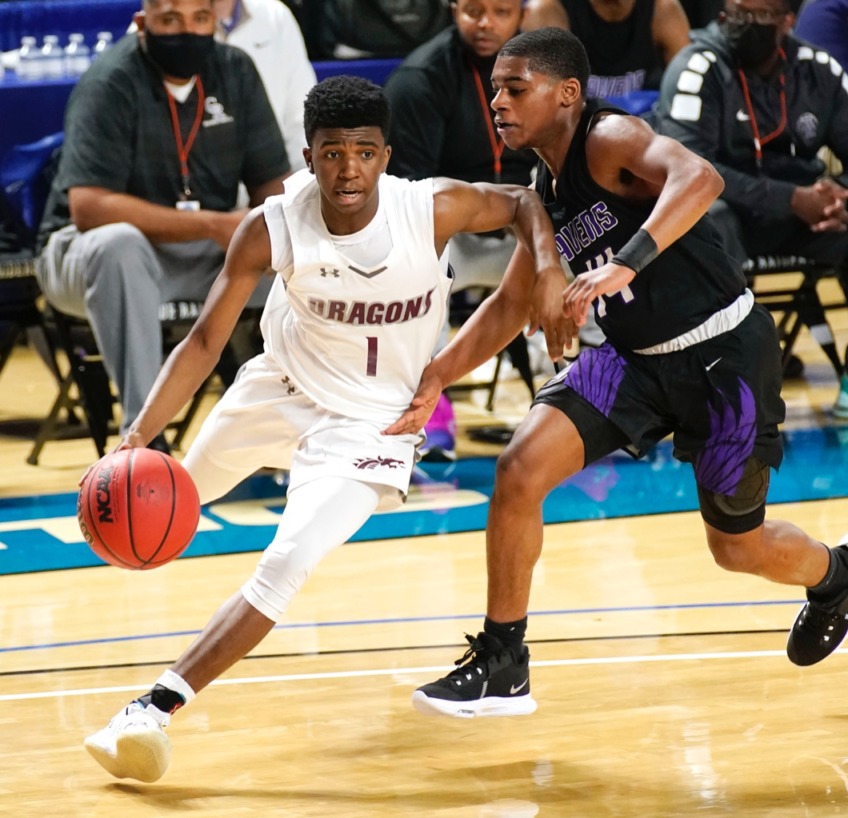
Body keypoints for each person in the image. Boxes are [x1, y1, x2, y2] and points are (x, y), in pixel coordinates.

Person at [82, 74, 564, 781]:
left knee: (288, 561)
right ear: (308, 157)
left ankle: (150, 710)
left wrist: (547, 266)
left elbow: (523, 202)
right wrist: (137, 438)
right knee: (159, 502)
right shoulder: (271, 225)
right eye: (332, 153)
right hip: (278, 392)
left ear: (386, 155)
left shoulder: (427, 208)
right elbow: (204, 343)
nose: (349, 170)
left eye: (365, 153)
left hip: (373, 425)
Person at [389, 27, 848, 719]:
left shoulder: (608, 136)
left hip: (722, 357)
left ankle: (836, 574)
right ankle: (504, 661)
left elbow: (700, 177)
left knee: (736, 548)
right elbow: (509, 304)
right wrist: (437, 374)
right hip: (630, 363)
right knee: (519, 470)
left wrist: (632, 257)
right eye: (495, 87)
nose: (497, 100)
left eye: (514, 88)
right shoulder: (544, 182)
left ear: (565, 94)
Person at [657, 0, 848, 423]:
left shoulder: (816, 67)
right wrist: (790, 198)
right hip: (732, 212)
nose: (742, 24)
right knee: (708, 218)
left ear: (787, 21)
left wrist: (840, 191)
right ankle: (717, 384)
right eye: (736, 12)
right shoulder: (697, 67)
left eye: (757, 15)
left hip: (804, 216)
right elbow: (691, 166)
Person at [35, 0, 290, 442]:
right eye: (170, 19)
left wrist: (284, 231)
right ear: (142, 24)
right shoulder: (111, 80)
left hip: (202, 259)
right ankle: (143, 436)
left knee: (297, 254)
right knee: (120, 246)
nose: (186, 32)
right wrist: (212, 224)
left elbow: (273, 183)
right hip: (88, 257)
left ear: (215, 23)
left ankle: (288, 428)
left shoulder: (236, 71)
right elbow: (89, 207)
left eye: (200, 19)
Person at [385, 0, 539, 459]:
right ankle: (428, 400)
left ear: (523, 13)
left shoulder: (546, 75)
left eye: (501, 10)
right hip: (455, 236)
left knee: (594, 249)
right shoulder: (420, 80)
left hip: (530, 227)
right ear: (454, 9)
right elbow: (411, 198)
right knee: (414, 258)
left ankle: (586, 385)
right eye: (474, 9)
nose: (486, 22)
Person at [213, 0, 317, 172]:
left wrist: (300, 186)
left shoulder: (275, 15)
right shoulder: (165, 23)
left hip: (275, 180)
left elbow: (301, 117)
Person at [522, 0, 691, 96]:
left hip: (644, 134)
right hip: (575, 138)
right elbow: (547, 103)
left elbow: (690, 90)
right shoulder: (548, 12)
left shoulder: (663, 11)